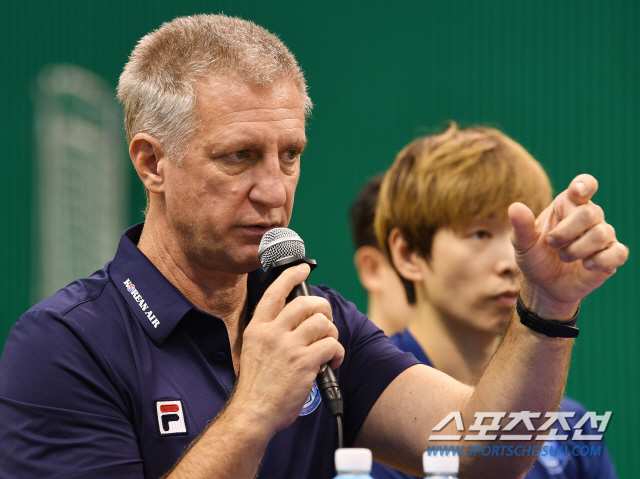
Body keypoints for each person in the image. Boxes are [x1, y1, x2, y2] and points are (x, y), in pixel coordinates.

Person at [0, 14, 628, 479]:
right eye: (239, 156)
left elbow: (480, 455)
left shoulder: (318, 319)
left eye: (290, 155)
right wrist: (253, 411)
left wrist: (546, 309)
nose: (274, 191)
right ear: (151, 163)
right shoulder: (64, 344)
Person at [350, 123, 618, 478]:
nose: (512, 262)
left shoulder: (571, 428)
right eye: (480, 233)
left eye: (522, 235)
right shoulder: (358, 410)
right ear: (408, 254)